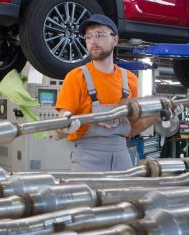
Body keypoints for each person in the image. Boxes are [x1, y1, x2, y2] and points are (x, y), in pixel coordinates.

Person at [55, 14, 156, 172]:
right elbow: (62, 118)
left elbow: (133, 127)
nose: (93, 40)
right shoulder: (76, 77)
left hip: (122, 156)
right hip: (87, 158)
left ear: (115, 40)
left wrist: (159, 114)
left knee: (124, 197)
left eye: (100, 34)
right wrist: (66, 122)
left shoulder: (129, 79)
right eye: (88, 36)